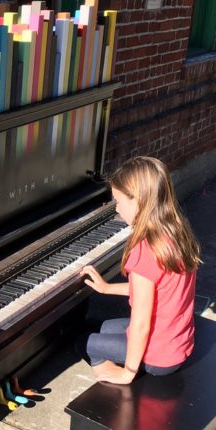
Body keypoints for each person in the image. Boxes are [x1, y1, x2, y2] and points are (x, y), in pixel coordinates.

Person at [80, 156, 201, 384]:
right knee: (104, 327)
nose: (116, 207)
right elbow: (155, 289)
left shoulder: (145, 250)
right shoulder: (175, 232)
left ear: (138, 201)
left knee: (85, 342)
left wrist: (128, 372)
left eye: (118, 201)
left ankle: (121, 389)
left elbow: (141, 324)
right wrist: (106, 288)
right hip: (176, 342)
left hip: (160, 358)